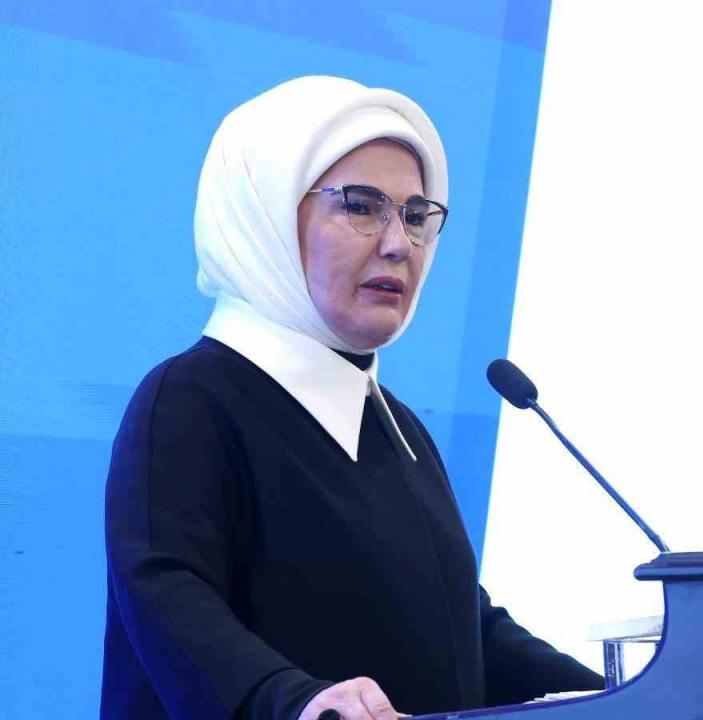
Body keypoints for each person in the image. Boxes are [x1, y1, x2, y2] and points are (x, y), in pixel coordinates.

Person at [100, 76, 603, 720]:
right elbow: (168, 599)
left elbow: (463, 630)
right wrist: (296, 702)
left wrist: (627, 695)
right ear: (266, 217)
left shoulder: (399, 428)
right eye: (362, 207)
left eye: (416, 216)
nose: (399, 243)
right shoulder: (190, 400)